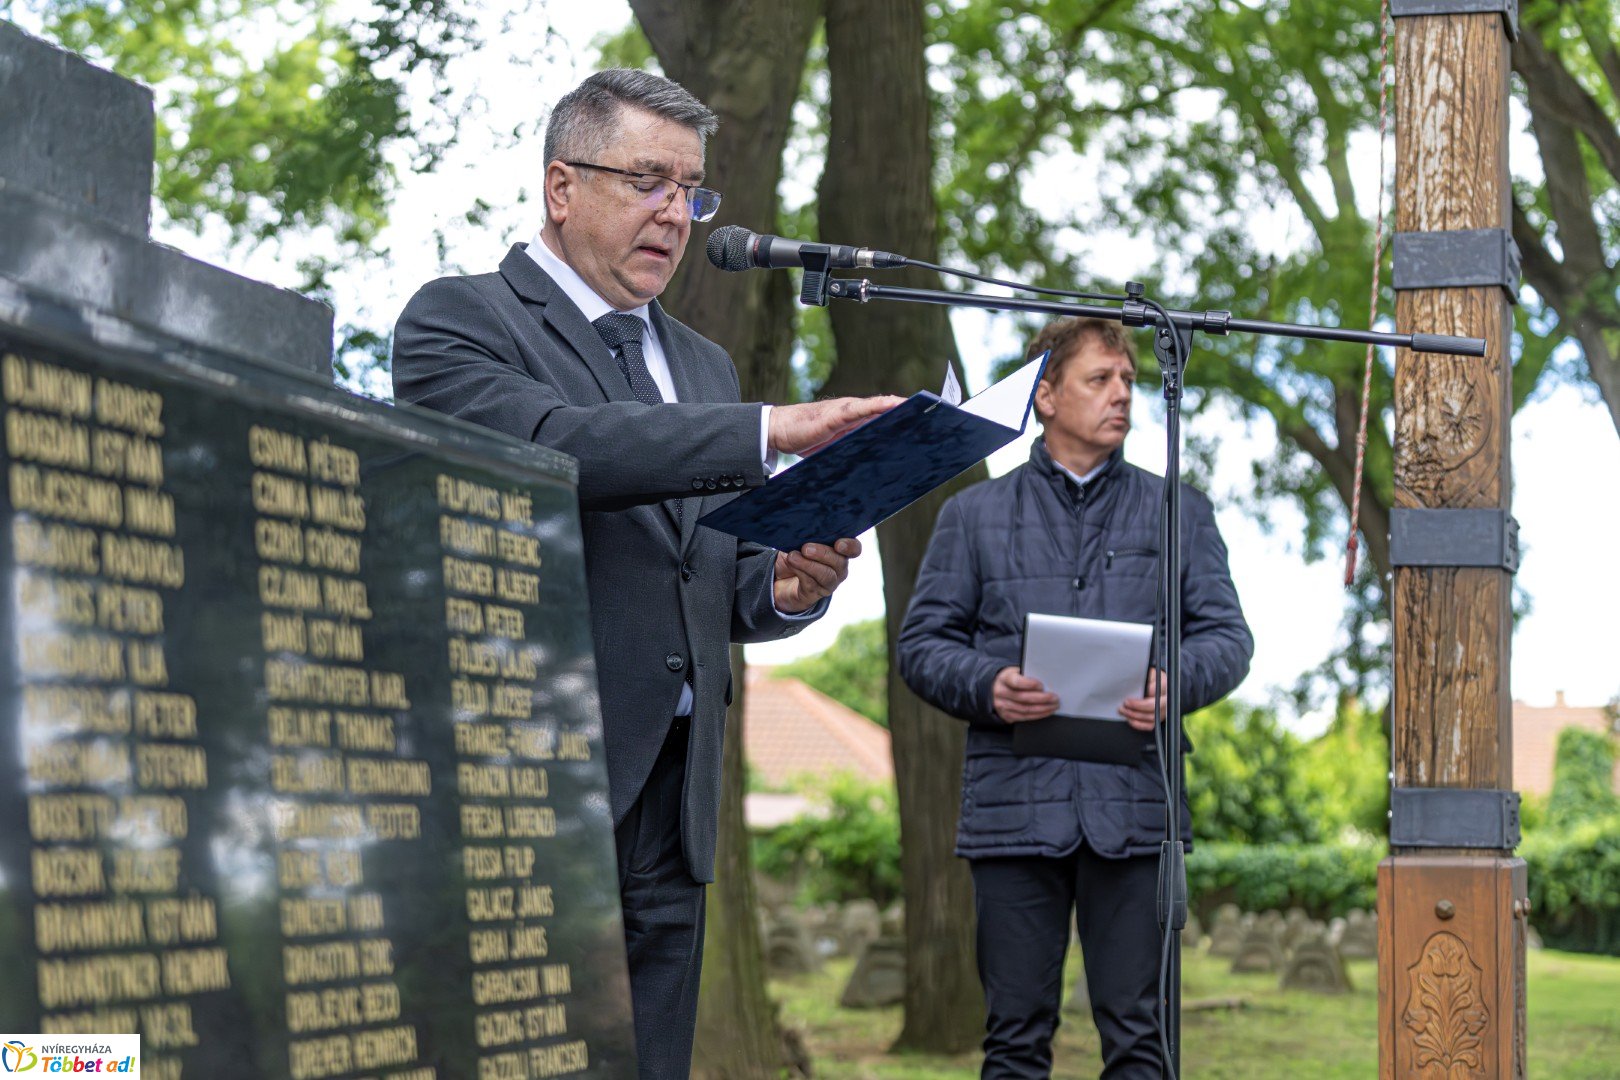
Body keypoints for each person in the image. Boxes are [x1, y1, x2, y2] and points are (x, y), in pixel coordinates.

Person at [391, 69, 899, 1078]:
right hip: (535, 789)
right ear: (561, 187)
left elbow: (704, 565)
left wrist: (785, 586)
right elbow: (559, 446)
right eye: (648, 182)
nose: (676, 213)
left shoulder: (703, 366)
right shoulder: (461, 321)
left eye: (693, 191)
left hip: (678, 799)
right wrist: (773, 429)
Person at [896, 317, 1253, 1079]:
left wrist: (1173, 684)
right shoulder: (974, 515)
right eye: (1100, 380)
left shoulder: (1179, 511)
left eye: (1128, 381)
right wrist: (990, 687)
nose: (1122, 395)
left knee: (1141, 1041)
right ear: (1047, 396)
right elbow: (921, 647)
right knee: (1015, 1043)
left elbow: (1228, 640)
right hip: (1012, 813)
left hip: (1136, 811)